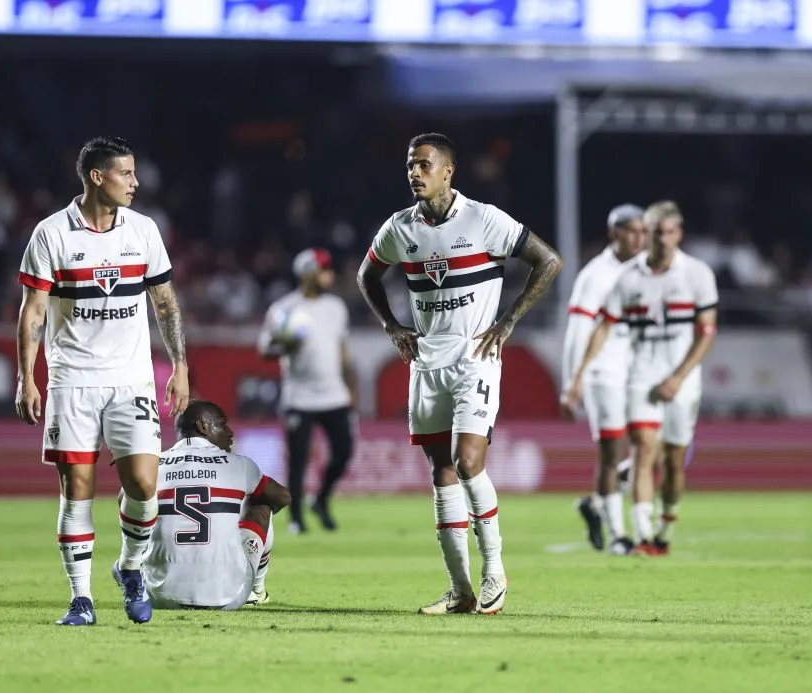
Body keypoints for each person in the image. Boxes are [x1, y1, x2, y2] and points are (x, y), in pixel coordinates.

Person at [357, 133, 562, 615]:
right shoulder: (399, 227)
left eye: (424, 165)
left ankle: (495, 572)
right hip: (426, 362)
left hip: (475, 358)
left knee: (467, 462)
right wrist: (391, 326)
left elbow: (549, 261)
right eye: (410, 165)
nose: (414, 173)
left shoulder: (483, 219)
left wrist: (508, 322)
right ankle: (460, 590)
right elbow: (366, 276)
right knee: (441, 472)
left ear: (448, 171)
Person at [15, 136, 190, 626]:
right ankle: (81, 599)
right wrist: (27, 377)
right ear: (97, 177)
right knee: (78, 489)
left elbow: (165, 303)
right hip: (72, 379)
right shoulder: (52, 234)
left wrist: (180, 365)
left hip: (131, 380)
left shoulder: (144, 230)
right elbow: (33, 311)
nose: (136, 183)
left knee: (144, 484)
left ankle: (130, 567)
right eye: (126, 174)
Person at [564, 201, 717, 557]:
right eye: (650, 233)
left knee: (667, 458)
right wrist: (576, 377)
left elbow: (707, 331)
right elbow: (591, 327)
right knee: (631, 451)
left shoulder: (693, 274)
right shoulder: (610, 276)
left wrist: (679, 376)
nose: (654, 239)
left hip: (663, 375)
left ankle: (627, 515)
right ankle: (632, 535)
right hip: (624, 375)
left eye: (665, 232)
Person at [143, 400, 291, 609]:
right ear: (202, 426)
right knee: (260, 503)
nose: (230, 432)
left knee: (138, 512)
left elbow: (128, 508)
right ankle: (256, 591)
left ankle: (127, 570)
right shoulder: (239, 465)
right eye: (222, 424)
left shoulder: (151, 466)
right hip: (228, 598)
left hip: (158, 597)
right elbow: (283, 497)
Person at [558, 204, 646, 554]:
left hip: (639, 372)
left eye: (644, 231)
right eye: (632, 231)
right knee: (612, 452)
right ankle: (620, 535)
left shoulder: (649, 270)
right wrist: (572, 381)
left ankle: (595, 504)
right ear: (615, 233)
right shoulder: (595, 275)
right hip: (603, 371)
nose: (639, 238)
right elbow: (578, 330)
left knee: (656, 449)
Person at [258, 247, 358, 534]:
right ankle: (296, 517)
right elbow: (265, 348)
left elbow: (343, 352)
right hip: (299, 396)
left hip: (334, 394)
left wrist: (351, 389)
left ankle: (321, 499)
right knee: (298, 458)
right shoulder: (284, 308)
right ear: (307, 273)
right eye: (324, 270)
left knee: (344, 450)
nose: (330, 275)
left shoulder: (336, 307)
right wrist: (286, 344)